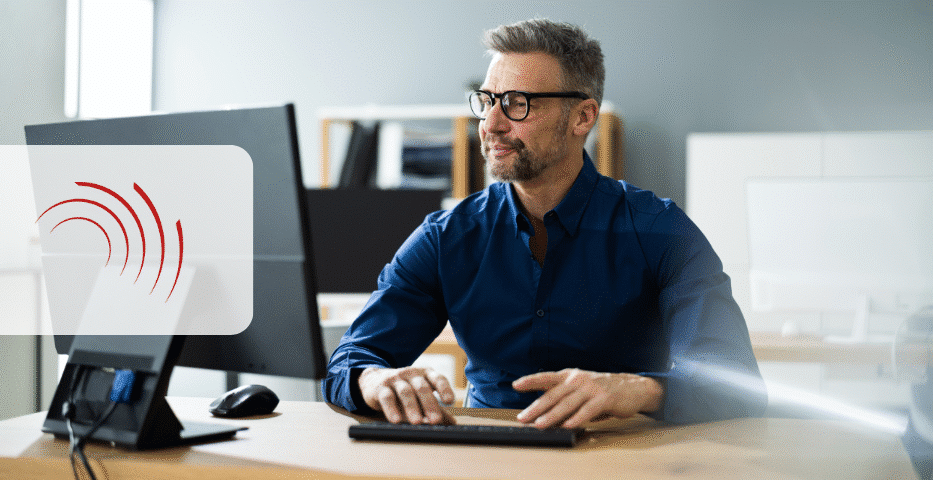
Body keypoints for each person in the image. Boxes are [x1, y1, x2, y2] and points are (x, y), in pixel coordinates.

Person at [323, 18, 766, 428]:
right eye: (488, 101)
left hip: (619, 460)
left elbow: (738, 387)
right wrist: (374, 381)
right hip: (486, 462)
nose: (491, 124)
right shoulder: (446, 237)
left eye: (518, 104)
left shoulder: (661, 231)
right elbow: (349, 362)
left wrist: (639, 388)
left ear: (583, 117)